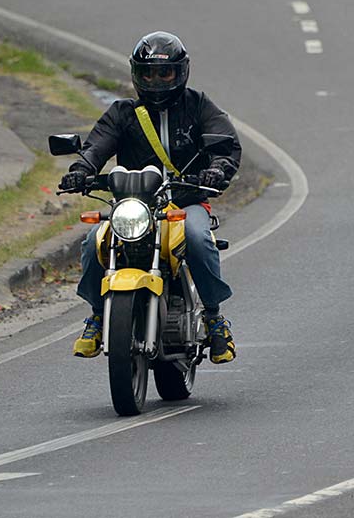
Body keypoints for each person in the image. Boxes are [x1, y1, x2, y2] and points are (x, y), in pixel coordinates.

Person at [59, 31, 240, 364]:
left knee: (199, 239)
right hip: (133, 206)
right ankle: (98, 317)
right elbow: (96, 147)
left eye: (164, 73)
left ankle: (214, 319)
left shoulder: (199, 105)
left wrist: (218, 169)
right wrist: (80, 170)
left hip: (185, 202)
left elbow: (224, 144)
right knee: (91, 243)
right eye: (148, 74)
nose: (156, 81)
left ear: (180, 72)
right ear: (136, 75)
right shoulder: (123, 113)